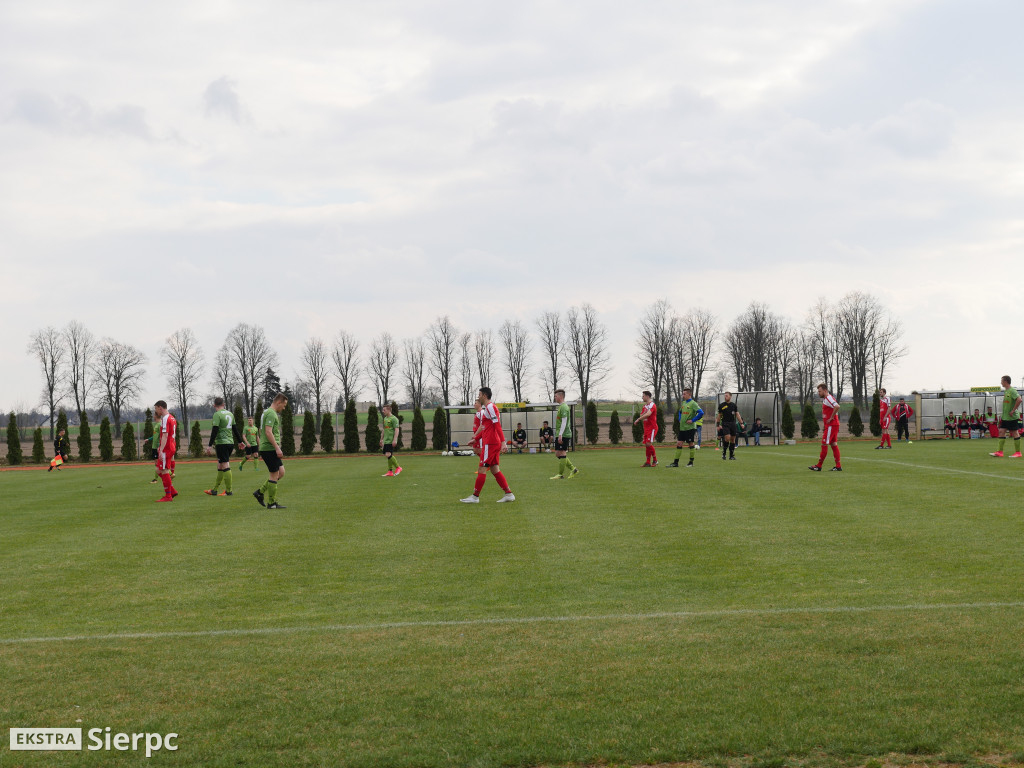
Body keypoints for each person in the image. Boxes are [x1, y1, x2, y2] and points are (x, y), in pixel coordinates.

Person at [461, 387, 515, 503]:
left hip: (490, 444)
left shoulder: (490, 407)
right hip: (490, 443)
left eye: (479, 394)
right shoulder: (487, 409)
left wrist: (503, 442)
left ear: (484, 395)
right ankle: (509, 494)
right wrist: (476, 439)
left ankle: (475, 497)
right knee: (495, 469)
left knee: (482, 469)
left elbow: (497, 426)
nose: (478, 396)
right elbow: (485, 428)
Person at [254, 392, 288, 509]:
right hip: (270, 448)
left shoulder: (266, 413)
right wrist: (277, 447)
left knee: (281, 472)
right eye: (283, 405)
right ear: (278, 402)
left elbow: (260, 430)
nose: (283, 408)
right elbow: (268, 432)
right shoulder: (271, 414)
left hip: (268, 448)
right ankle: (272, 503)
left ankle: (260, 492)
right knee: (274, 475)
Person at [204, 397, 244, 496]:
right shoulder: (230, 414)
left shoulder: (217, 415)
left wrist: (209, 445)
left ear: (214, 405)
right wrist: (240, 441)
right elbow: (235, 429)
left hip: (222, 443)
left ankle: (229, 491)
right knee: (220, 465)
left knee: (225, 465)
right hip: (230, 442)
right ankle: (214, 490)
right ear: (224, 404)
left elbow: (215, 430)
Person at [808, 383, 842, 472]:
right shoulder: (825, 399)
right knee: (833, 444)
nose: (818, 393)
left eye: (820, 391)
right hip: (832, 425)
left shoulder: (828, 398)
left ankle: (819, 466)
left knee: (824, 444)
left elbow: (837, 406)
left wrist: (831, 417)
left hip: (831, 425)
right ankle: (838, 466)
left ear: (825, 391)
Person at [669, 387, 703, 468]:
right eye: (683, 394)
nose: (683, 395)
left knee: (690, 443)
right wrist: (680, 418)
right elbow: (680, 412)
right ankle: (675, 463)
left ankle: (691, 462)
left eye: (684, 394)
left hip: (690, 428)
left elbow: (701, 412)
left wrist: (693, 420)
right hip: (683, 428)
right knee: (679, 443)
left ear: (689, 394)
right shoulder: (684, 403)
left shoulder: (693, 403)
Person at [990, 375, 1022, 458]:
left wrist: (1013, 410)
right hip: (1005, 417)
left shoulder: (1012, 391)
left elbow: (1019, 399)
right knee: (1001, 431)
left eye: (1001, 381)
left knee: (1015, 433)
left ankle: (1018, 453)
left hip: (1011, 417)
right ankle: (1000, 452)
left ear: (1005, 381)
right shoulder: (1006, 391)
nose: (1001, 382)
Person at [153, 400, 179, 501]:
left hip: (167, 448)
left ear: (160, 407)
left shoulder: (165, 419)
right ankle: (172, 490)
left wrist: (161, 449)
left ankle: (168, 496)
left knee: (164, 470)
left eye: (156, 409)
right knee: (158, 470)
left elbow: (165, 435)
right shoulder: (172, 418)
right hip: (171, 445)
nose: (156, 411)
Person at [550, 388, 578, 479]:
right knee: (558, 453)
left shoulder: (564, 407)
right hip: (560, 434)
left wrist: (561, 434)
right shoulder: (561, 407)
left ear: (561, 396)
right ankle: (573, 469)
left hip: (564, 434)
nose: (555, 398)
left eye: (556, 396)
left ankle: (560, 474)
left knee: (561, 453)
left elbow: (564, 422)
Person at [716, 391, 744, 461]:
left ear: (730, 396)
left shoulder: (733, 405)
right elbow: (719, 415)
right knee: (727, 438)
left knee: (732, 439)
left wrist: (741, 423)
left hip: (733, 424)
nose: (725, 397)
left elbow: (737, 414)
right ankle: (724, 453)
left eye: (727, 396)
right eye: (725, 396)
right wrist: (718, 425)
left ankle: (731, 455)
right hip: (725, 424)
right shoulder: (721, 405)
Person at [634, 391, 659, 467]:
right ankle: (648, 462)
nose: (642, 397)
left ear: (647, 396)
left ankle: (655, 460)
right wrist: (643, 414)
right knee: (647, 445)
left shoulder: (652, 405)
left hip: (652, 427)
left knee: (648, 444)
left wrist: (638, 419)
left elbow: (648, 414)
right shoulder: (645, 406)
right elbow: (642, 414)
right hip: (646, 428)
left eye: (643, 396)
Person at [380, 403, 402, 476]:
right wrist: (381, 439)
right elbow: (384, 429)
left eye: (384, 410)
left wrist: (395, 439)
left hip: (390, 440)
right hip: (386, 440)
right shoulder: (385, 419)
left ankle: (398, 467)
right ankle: (390, 471)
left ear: (389, 410)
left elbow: (397, 430)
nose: (383, 411)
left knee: (388, 454)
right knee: (388, 455)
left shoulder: (394, 419)